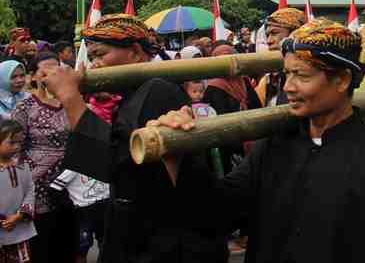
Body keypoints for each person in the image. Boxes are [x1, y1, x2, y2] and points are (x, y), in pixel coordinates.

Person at [152, 18, 365, 263]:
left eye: (301, 75)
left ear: (342, 79)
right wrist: (178, 157)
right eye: (287, 74)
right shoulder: (276, 145)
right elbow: (216, 212)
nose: (288, 87)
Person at [42, 14, 229, 262]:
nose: (94, 64)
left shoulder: (158, 91)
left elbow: (112, 163)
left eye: (100, 54)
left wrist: (70, 97)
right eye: (91, 57)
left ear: (135, 52)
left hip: (165, 245)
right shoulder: (135, 94)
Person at [12, 53, 77, 262]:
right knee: (43, 245)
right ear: (34, 77)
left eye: (57, 70)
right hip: (38, 188)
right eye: (46, 71)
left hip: (71, 182)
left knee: (69, 241)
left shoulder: (71, 101)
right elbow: (15, 149)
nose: (53, 75)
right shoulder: (25, 107)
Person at [202, 44, 260, 175]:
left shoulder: (244, 81)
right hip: (229, 153)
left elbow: (257, 107)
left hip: (251, 146)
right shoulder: (214, 88)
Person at [0, 119, 35, 263]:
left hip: (19, 229)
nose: (17, 147)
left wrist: (19, 216)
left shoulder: (23, 166)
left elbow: (30, 191)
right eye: (12, 142)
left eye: (19, 142)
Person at [254, 8, 305, 107]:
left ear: (295, 34)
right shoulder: (268, 80)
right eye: (267, 35)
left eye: (274, 33)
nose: (269, 41)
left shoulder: (312, 71)